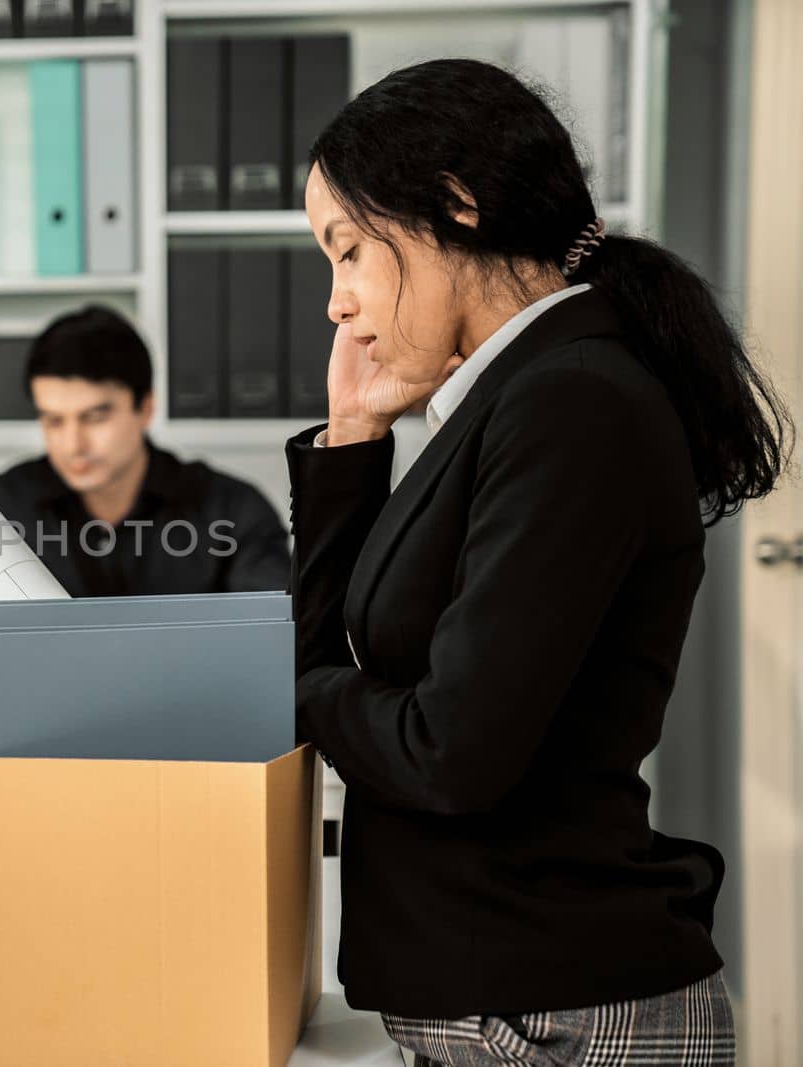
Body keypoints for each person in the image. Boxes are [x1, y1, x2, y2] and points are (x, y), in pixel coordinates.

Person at [290, 59, 788, 1065]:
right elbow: (345, 655)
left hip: (555, 1016)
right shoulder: (517, 395)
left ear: (457, 206)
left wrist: (299, 691)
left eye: (348, 252)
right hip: (508, 1004)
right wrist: (349, 439)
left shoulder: (571, 402)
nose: (337, 302)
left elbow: (448, 751)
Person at [0, 304, 290, 666]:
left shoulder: (233, 511)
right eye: (53, 421)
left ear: (145, 408)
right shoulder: (4, 506)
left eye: (95, 418)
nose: (73, 445)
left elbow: (272, 645)